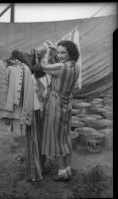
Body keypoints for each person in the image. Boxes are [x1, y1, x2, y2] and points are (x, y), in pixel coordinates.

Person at [40, 40, 80, 181]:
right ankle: (67, 169)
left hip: (55, 105)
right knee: (64, 138)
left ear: (70, 53)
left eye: (63, 52)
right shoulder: (76, 66)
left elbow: (43, 67)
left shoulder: (60, 67)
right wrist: (55, 51)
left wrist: (47, 52)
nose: (60, 55)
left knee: (56, 139)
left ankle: (62, 172)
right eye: (58, 52)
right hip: (66, 105)